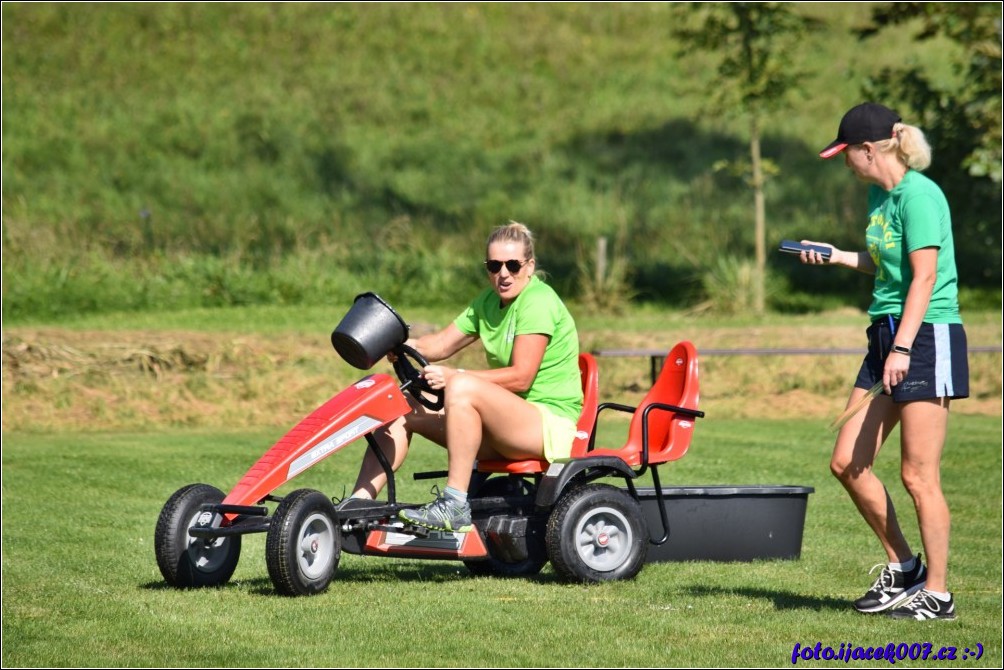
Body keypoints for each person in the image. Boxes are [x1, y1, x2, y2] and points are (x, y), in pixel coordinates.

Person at [802, 102, 969, 621]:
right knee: (847, 462)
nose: (844, 163)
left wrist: (902, 348)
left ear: (869, 150)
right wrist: (837, 256)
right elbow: (886, 265)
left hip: (925, 337)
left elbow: (924, 277)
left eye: (846, 153)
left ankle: (937, 594)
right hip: (886, 335)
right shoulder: (880, 196)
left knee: (918, 475)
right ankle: (905, 567)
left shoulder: (920, 196)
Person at [342, 221, 583, 533]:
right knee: (403, 407)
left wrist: (455, 376)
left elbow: (522, 377)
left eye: (512, 265)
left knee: (462, 386)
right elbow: (441, 345)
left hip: (548, 426)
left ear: (530, 266)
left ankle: (455, 504)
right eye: (494, 266)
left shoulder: (539, 301)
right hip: (504, 425)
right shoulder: (487, 302)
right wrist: (398, 344)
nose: (503, 274)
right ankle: (357, 508)